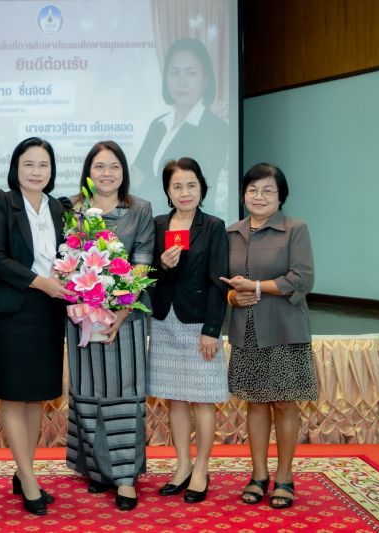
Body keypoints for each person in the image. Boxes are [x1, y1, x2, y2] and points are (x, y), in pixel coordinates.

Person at [0, 137, 70, 515]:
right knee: (14, 395)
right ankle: (29, 480)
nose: (36, 171)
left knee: (36, 395)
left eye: (43, 165)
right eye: (28, 164)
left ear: (52, 170)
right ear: (15, 168)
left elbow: (67, 255)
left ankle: (24, 470)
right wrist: (39, 281)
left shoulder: (59, 208)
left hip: (49, 310)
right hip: (13, 310)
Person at [221, 163, 317, 509]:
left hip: (284, 330)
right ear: (243, 194)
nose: (259, 196)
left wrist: (258, 287)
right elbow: (222, 283)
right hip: (246, 330)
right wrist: (233, 298)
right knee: (256, 403)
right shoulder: (231, 233)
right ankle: (259, 475)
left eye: (267, 190)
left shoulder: (295, 229)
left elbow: (303, 278)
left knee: (284, 403)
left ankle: (285, 477)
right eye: (252, 190)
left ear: (281, 196)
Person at [65, 140, 155, 511]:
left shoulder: (139, 209)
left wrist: (120, 312)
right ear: (88, 172)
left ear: (124, 172)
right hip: (82, 317)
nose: (107, 173)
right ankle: (97, 468)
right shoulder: (73, 209)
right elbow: (67, 260)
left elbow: (142, 263)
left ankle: (125, 477)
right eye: (100, 166)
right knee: (88, 390)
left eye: (114, 166)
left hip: (126, 317)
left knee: (124, 393)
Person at [147, 157, 229, 504]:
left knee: (204, 399)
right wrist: (161, 265)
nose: (185, 192)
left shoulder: (213, 226)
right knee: (175, 398)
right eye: (177, 186)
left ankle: (201, 469)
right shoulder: (157, 224)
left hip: (199, 324)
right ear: (167, 191)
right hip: (164, 321)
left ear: (201, 188)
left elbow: (218, 281)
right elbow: (146, 274)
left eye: (191, 185)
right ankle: (182, 465)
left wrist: (212, 329)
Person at [131, 38, 228, 217]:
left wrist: (147, 184)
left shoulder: (216, 128)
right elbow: (134, 176)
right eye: (174, 72)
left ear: (206, 79)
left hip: (193, 224)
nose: (181, 82)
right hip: (153, 222)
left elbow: (197, 185)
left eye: (191, 73)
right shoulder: (158, 124)